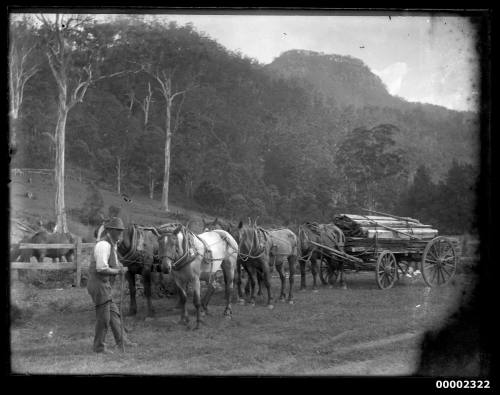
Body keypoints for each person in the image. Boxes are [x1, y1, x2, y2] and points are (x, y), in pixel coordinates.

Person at [87, 216, 137, 354]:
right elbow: (101, 268)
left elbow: (113, 263)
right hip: (98, 285)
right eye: (118, 231)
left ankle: (122, 342)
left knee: (114, 314)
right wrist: (118, 271)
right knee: (104, 318)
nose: (121, 233)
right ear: (110, 231)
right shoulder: (103, 245)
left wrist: (120, 267)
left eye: (122, 231)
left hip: (104, 285)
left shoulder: (112, 245)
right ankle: (99, 348)